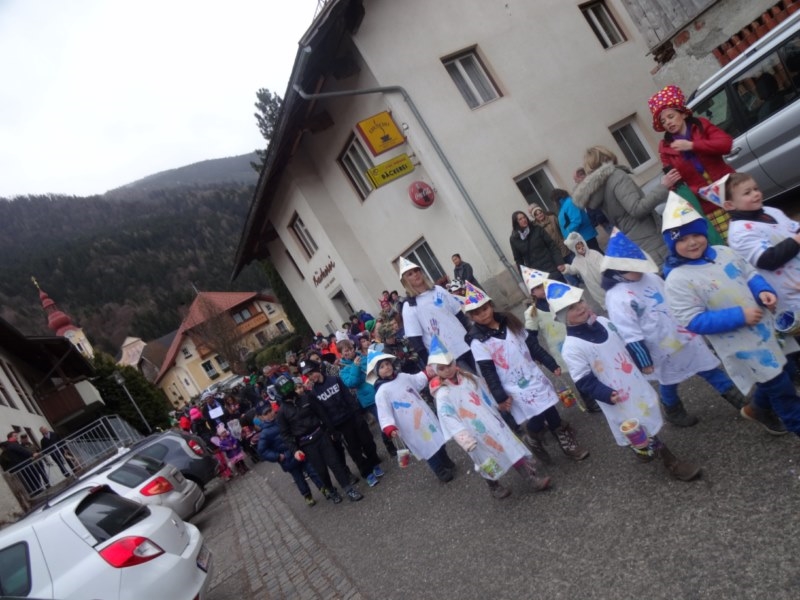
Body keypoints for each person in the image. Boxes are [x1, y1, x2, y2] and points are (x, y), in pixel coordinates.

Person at [661, 192, 800, 437]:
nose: (692, 242)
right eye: (682, 239)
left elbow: (749, 273)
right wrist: (739, 316)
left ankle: (758, 409)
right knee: (782, 390)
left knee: (786, 370)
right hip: (743, 345)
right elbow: (692, 320)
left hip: (767, 331)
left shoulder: (724, 252)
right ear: (672, 245)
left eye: (696, 235)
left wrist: (763, 291)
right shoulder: (678, 279)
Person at [552, 280, 701, 481]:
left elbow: (624, 343)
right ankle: (671, 462)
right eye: (571, 307)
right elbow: (583, 379)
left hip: (633, 382)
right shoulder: (571, 347)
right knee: (638, 424)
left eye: (580, 301)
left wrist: (642, 361)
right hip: (615, 395)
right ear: (562, 317)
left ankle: (641, 448)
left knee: (645, 416)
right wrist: (606, 394)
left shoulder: (603, 322)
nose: (580, 307)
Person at [600, 228, 748, 427]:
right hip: (660, 347)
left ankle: (744, 404)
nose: (641, 271)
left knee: (709, 367)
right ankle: (672, 410)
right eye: (635, 268)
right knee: (669, 380)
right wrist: (644, 361)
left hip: (683, 334)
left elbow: (672, 296)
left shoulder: (650, 277)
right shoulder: (617, 297)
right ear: (618, 270)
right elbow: (629, 333)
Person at [463, 282, 589, 465]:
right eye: (476, 313)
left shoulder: (509, 321)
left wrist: (550, 362)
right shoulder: (478, 342)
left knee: (549, 406)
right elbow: (488, 371)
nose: (483, 314)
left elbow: (531, 345)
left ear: (490, 305)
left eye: (485, 308)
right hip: (513, 385)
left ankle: (567, 443)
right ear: (471, 316)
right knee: (536, 414)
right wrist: (499, 396)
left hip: (532, 374)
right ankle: (533, 437)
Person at [427, 335, 550, 499]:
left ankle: (531, 479)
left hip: (492, 421)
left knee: (509, 446)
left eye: (449, 364)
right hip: (473, 432)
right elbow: (447, 417)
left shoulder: (468, 378)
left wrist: (498, 404)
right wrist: (464, 438)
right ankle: (494, 485)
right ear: (436, 371)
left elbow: (484, 393)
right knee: (485, 459)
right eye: (442, 368)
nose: (448, 370)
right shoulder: (443, 393)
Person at [648, 84, 734, 242]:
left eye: (671, 116)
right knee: (727, 246)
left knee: (750, 237)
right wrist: (700, 191)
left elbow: (726, 144)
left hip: (731, 191)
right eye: (663, 121)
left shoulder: (701, 125)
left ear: (683, 114)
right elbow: (677, 184)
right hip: (708, 206)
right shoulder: (665, 148)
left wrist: (693, 145)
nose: (668, 123)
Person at [707, 172, 800, 316]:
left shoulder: (770, 211)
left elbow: (793, 228)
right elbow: (768, 259)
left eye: (756, 189)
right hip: (791, 294)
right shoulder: (739, 232)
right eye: (747, 193)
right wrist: (797, 240)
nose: (756, 194)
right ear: (729, 205)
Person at [572, 145, 681, 266]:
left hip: (635, 240)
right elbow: (637, 209)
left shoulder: (599, 187)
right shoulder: (616, 176)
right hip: (650, 238)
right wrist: (663, 186)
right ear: (606, 156)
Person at [520, 266, 601, 414]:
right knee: (580, 374)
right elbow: (530, 339)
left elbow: (581, 311)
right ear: (532, 292)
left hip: (580, 338)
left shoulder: (560, 299)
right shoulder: (532, 313)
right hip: (561, 349)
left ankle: (602, 392)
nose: (542, 288)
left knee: (595, 365)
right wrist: (544, 359)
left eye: (543, 283)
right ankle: (590, 401)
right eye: (537, 287)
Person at [368, 349, 457, 482]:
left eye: (387, 364)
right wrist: (389, 427)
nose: (386, 367)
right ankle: (439, 470)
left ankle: (445, 459)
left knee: (438, 439)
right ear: (377, 373)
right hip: (411, 426)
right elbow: (383, 412)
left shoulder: (403, 377)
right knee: (426, 447)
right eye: (381, 367)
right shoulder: (382, 392)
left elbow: (417, 380)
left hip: (425, 417)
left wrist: (427, 373)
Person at [275, 374, 364, 503]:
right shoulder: (282, 413)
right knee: (321, 470)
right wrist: (295, 450)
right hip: (306, 444)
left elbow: (322, 414)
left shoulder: (307, 398)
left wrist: (332, 431)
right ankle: (331, 490)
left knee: (335, 463)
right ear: (280, 392)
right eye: (284, 388)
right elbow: (285, 434)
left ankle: (348, 489)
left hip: (321, 435)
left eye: (289, 386)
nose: (288, 389)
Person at [300, 358, 384, 488]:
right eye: (308, 376)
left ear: (318, 369)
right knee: (354, 450)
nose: (311, 377)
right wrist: (332, 431)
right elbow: (323, 414)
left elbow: (348, 397)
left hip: (353, 417)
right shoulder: (313, 394)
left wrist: (357, 414)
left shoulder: (335, 380)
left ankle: (374, 464)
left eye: (312, 373)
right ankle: (367, 473)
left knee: (367, 441)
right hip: (339, 425)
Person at [399, 257, 475, 370]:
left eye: (416, 271)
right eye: (410, 274)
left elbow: (459, 315)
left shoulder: (439, 290)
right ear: (405, 281)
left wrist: (473, 336)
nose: (415, 274)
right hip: (447, 357)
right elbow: (416, 340)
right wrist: (429, 364)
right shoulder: (409, 306)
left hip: (465, 343)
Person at [337, 338, 397, 457]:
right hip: (369, 399)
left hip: (380, 390)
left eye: (350, 349)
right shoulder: (343, 369)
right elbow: (351, 383)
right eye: (346, 351)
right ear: (341, 354)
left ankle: (402, 440)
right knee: (383, 420)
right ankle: (389, 444)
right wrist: (355, 367)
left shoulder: (364, 357)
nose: (349, 352)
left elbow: (376, 370)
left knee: (394, 415)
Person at [256, 407, 326, 506]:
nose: (270, 414)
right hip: (287, 459)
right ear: (262, 417)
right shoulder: (264, 433)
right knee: (299, 479)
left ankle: (324, 488)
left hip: (298, 451)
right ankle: (307, 496)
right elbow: (262, 450)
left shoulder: (282, 421)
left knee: (312, 470)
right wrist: (277, 456)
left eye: (270, 411)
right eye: (266, 413)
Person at [509, 210, 566, 281]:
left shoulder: (537, 229)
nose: (524, 220)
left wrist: (559, 262)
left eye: (524, 217)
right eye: (520, 219)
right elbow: (519, 260)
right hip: (537, 274)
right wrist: (525, 278)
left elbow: (552, 245)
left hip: (551, 267)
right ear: (516, 222)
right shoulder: (514, 239)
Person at [562, 232, 606, 309]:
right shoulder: (576, 261)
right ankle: (604, 305)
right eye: (578, 248)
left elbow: (603, 261)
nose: (581, 248)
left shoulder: (594, 253)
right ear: (574, 250)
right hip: (592, 283)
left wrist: (605, 270)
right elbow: (572, 269)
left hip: (602, 277)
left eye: (582, 246)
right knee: (598, 294)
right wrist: (566, 268)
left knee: (608, 289)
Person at [553, 188, 602, 252]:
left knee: (596, 254)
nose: (554, 204)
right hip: (581, 237)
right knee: (594, 255)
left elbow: (576, 220)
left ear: (556, 199)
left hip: (584, 236)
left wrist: (569, 233)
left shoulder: (569, 203)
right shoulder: (565, 205)